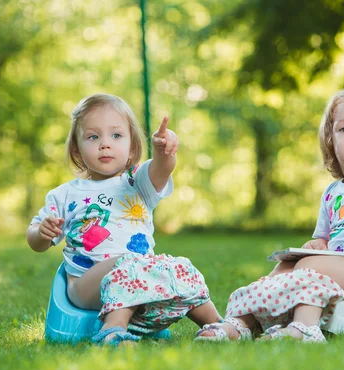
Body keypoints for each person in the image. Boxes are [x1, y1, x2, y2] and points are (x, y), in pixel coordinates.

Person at [195, 87, 344, 343]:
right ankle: (241, 323)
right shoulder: (333, 192)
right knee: (285, 267)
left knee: (312, 266)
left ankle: (305, 328)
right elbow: (324, 240)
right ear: (331, 141)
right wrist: (316, 245)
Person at [27, 93, 222, 346]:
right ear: (76, 147)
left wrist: (164, 152)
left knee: (181, 268)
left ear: (132, 146)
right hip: (87, 287)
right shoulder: (65, 194)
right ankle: (113, 331)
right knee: (126, 264)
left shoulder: (137, 182)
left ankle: (218, 324)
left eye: (116, 136)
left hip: (141, 278)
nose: (105, 144)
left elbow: (161, 169)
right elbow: (35, 241)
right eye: (93, 137)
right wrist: (41, 232)